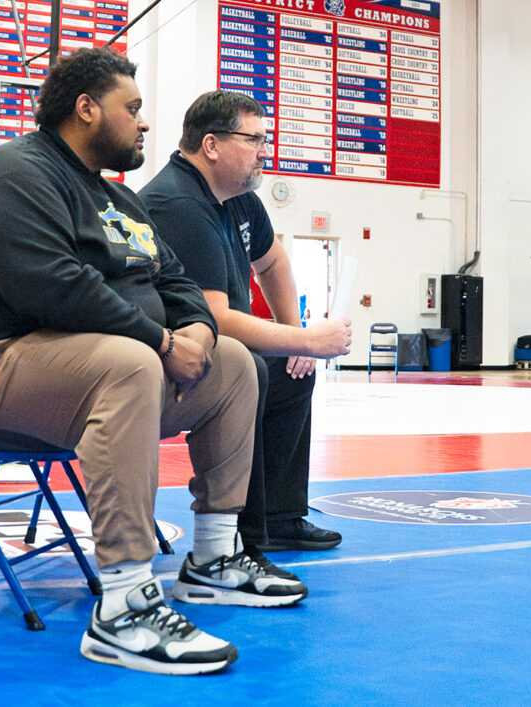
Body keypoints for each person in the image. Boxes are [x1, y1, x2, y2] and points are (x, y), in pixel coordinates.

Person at [0, 48, 305, 675]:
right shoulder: (16, 172)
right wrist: (159, 343)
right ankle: (123, 606)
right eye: (134, 109)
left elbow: (174, 279)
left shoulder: (118, 200)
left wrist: (199, 331)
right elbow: (51, 286)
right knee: (129, 363)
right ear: (87, 109)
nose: (145, 123)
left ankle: (211, 559)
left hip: (78, 364)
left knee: (234, 361)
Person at [139, 90, 351, 555]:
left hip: (216, 349)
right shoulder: (179, 204)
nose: (264, 151)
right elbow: (216, 319)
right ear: (212, 145)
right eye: (254, 139)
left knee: (291, 374)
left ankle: (279, 517)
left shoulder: (238, 198)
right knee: (250, 369)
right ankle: (240, 533)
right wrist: (307, 339)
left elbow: (273, 263)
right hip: (172, 360)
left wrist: (295, 340)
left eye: (266, 138)